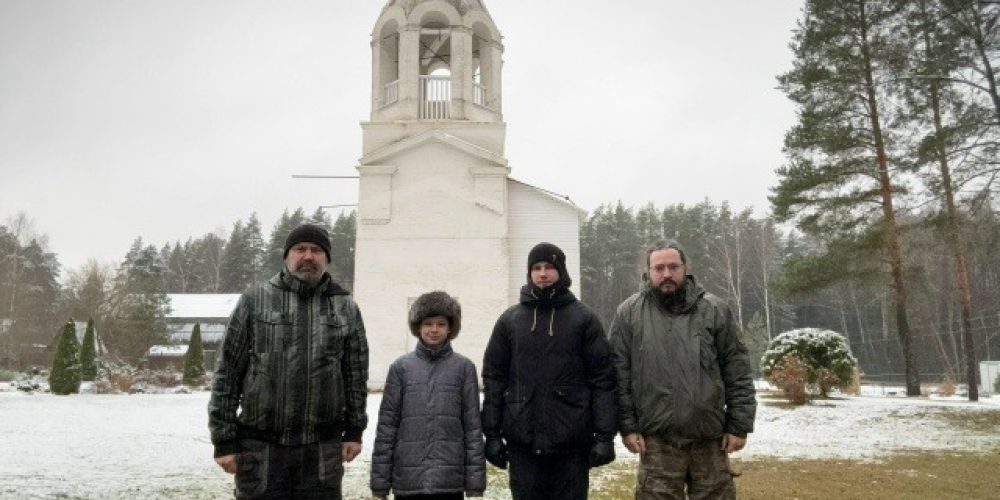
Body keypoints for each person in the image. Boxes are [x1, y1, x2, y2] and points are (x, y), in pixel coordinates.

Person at [208, 223, 369, 499]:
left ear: (327, 258)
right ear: (287, 255)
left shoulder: (345, 307)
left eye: (316, 250)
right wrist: (224, 439)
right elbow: (227, 372)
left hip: (321, 451)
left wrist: (354, 430)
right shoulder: (254, 301)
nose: (308, 256)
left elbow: (355, 374)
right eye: (300, 249)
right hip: (261, 448)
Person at [609, 240, 756, 500]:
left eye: (673, 267)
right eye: (659, 268)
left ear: (685, 268)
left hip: (710, 440)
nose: (667, 274)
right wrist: (628, 427)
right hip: (657, 443)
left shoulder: (715, 310)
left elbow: (737, 371)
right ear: (648, 271)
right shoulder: (628, 314)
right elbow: (619, 375)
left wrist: (739, 425)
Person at [481, 242, 617, 500]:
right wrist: (492, 435)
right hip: (523, 444)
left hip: (572, 446)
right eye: (536, 267)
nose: (543, 273)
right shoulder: (510, 321)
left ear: (561, 271)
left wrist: (605, 436)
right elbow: (494, 379)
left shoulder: (584, 319)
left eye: (550, 267)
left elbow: (603, 379)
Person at [370, 291, 486, 500]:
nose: (434, 330)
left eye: (441, 324)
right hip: (408, 481)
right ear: (418, 327)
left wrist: (475, 482)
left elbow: (472, 428)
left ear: (450, 328)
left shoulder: (464, 368)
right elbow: (387, 427)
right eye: (427, 323)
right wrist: (380, 483)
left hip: (449, 482)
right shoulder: (400, 368)